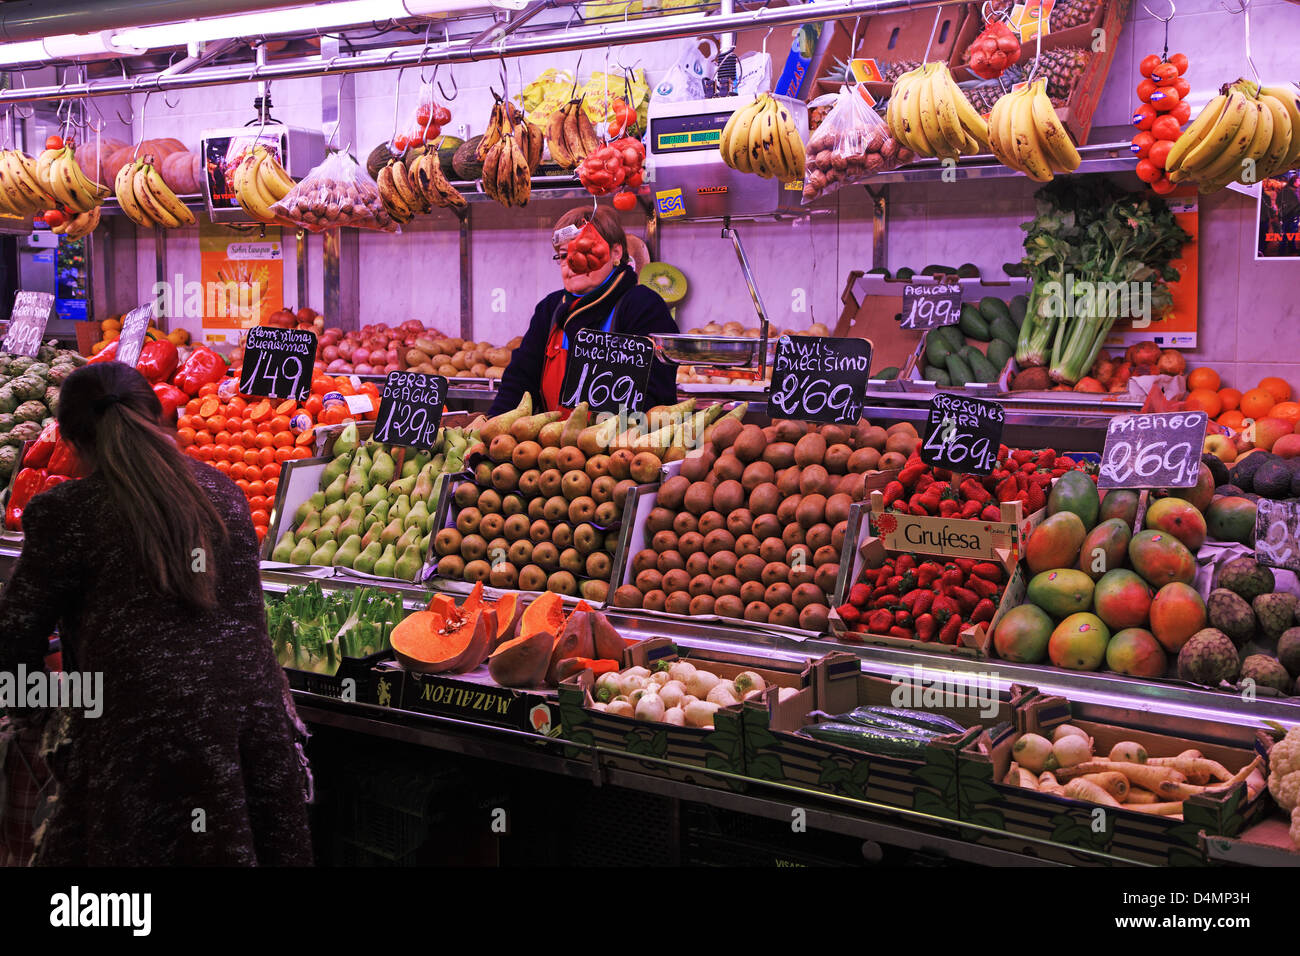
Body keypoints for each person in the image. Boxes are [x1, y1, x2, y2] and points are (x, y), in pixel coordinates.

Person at [0, 362, 312, 866]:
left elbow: (13, 642)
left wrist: (46, 715)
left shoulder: (66, 511)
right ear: (158, 416)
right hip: (250, 727)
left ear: (74, 442)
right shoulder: (226, 494)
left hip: (138, 734)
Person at [488, 206, 679, 417]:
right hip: (551, 445)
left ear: (616, 253)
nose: (572, 264)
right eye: (564, 255)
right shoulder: (550, 308)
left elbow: (654, 397)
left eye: (585, 252)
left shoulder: (643, 306)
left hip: (623, 445)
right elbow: (518, 382)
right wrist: (493, 429)